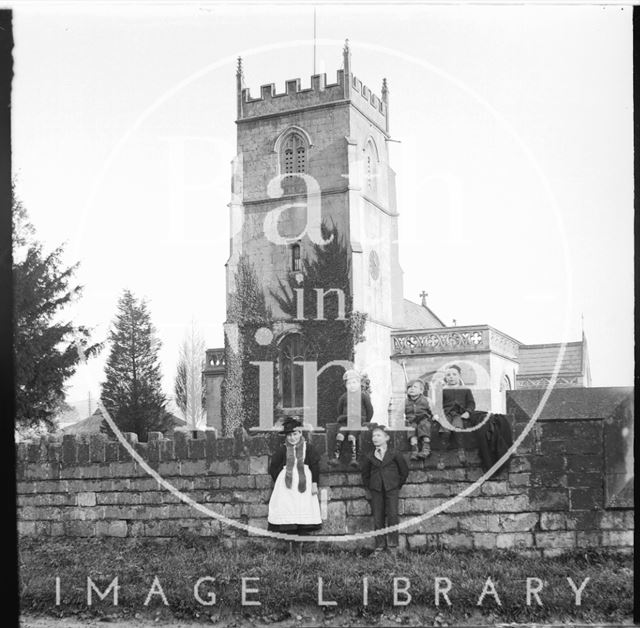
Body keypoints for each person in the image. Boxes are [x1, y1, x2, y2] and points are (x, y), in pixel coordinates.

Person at [267, 416, 322, 537]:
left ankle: (300, 544)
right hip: (287, 487)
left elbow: (315, 466)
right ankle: (291, 543)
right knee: (288, 511)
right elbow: (273, 467)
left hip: (304, 487)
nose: (292, 438)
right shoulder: (283, 450)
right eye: (289, 435)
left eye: (295, 434)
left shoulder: (309, 449)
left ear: (300, 433)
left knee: (303, 511)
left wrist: (314, 484)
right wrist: (281, 481)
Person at [360, 423, 409, 553]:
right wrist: (370, 486)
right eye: (373, 436)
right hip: (376, 490)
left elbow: (404, 471)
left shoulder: (394, 453)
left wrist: (396, 484)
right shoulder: (370, 456)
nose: (375, 438)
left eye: (378, 435)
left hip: (391, 489)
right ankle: (380, 546)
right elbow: (365, 474)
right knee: (378, 517)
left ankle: (393, 546)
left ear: (386, 438)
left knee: (392, 515)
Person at [330, 369, 374, 467]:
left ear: (359, 383)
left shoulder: (363, 396)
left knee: (352, 436)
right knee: (340, 435)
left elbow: (369, 409)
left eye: (354, 382)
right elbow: (339, 409)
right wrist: (343, 417)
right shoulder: (343, 397)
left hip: (358, 420)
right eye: (349, 383)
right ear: (345, 385)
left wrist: (366, 421)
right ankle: (336, 457)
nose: (352, 385)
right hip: (346, 420)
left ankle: (354, 458)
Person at [440, 364, 475, 464]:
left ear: (459, 376)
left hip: (459, 414)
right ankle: (442, 455)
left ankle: (461, 451)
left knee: (458, 429)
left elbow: (471, 403)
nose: (451, 377)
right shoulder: (443, 390)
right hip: (446, 414)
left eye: (454, 374)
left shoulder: (465, 390)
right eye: (448, 375)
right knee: (445, 431)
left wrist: (468, 412)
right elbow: (438, 405)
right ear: (445, 378)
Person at [404, 378, 434, 460]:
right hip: (412, 421)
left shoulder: (426, 400)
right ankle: (414, 449)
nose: (412, 388)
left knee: (424, 426)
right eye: (409, 387)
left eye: (415, 387)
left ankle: (426, 448)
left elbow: (433, 409)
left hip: (423, 419)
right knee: (411, 430)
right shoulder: (405, 402)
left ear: (421, 391)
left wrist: (435, 415)